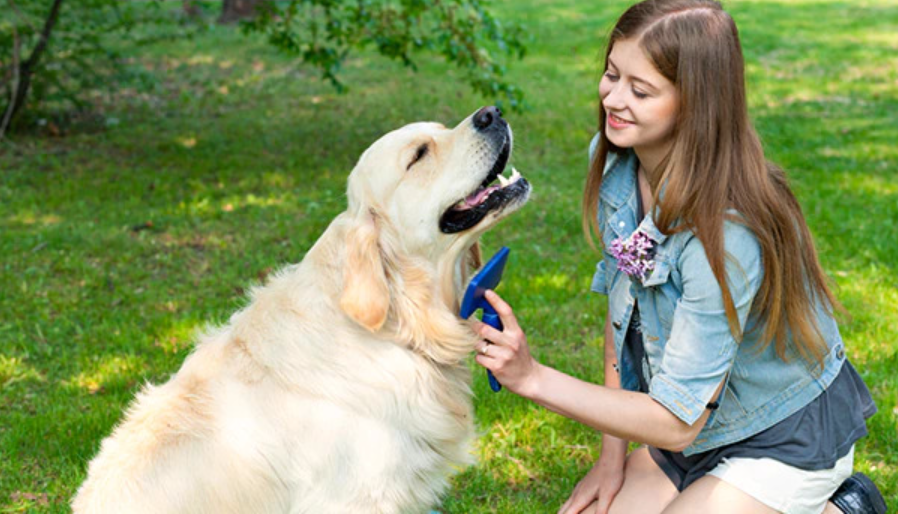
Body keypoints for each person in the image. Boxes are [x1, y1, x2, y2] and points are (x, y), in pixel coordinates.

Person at [471, 1, 888, 513]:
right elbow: (623, 321)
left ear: (696, 104)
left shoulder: (729, 233)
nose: (613, 99)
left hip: (779, 435)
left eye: (640, 90)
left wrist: (532, 378)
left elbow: (676, 420)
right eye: (611, 74)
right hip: (694, 427)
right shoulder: (617, 168)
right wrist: (612, 462)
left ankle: (840, 507)